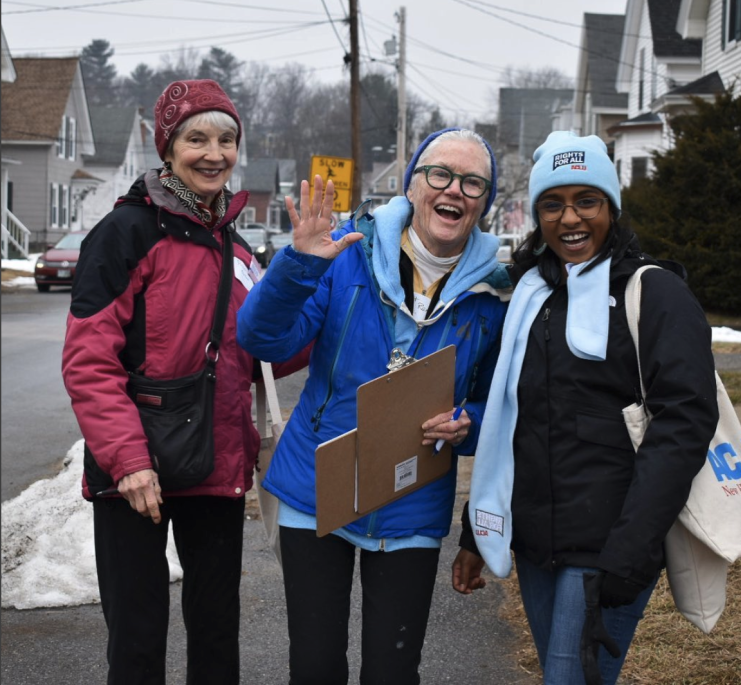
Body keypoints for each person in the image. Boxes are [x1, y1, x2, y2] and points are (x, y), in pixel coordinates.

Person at [236, 128, 512, 685]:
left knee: (392, 670)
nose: (453, 190)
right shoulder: (344, 254)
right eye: (439, 174)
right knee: (315, 668)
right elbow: (264, 341)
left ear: (484, 203)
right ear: (411, 185)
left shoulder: (495, 297)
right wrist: (297, 264)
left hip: (411, 497)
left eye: (472, 182)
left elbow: (498, 407)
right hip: (316, 485)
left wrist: (470, 423)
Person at [452, 131, 718, 685]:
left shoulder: (656, 292)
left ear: (611, 208)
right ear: (537, 215)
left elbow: (684, 424)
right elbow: (510, 421)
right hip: (537, 545)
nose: (570, 218)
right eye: (553, 203)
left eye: (586, 200)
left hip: (610, 544)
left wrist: (633, 547)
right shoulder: (532, 294)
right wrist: (478, 532)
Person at [62, 79, 273, 684]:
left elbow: (261, 355)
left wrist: (311, 277)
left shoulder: (234, 241)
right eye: (197, 138)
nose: (215, 153)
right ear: (167, 146)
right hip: (134, 471)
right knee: (136, 640)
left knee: (215, 635)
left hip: (216, 461)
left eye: (227, 139)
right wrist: (129, 461)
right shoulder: (125, 233)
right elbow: (88, 360)